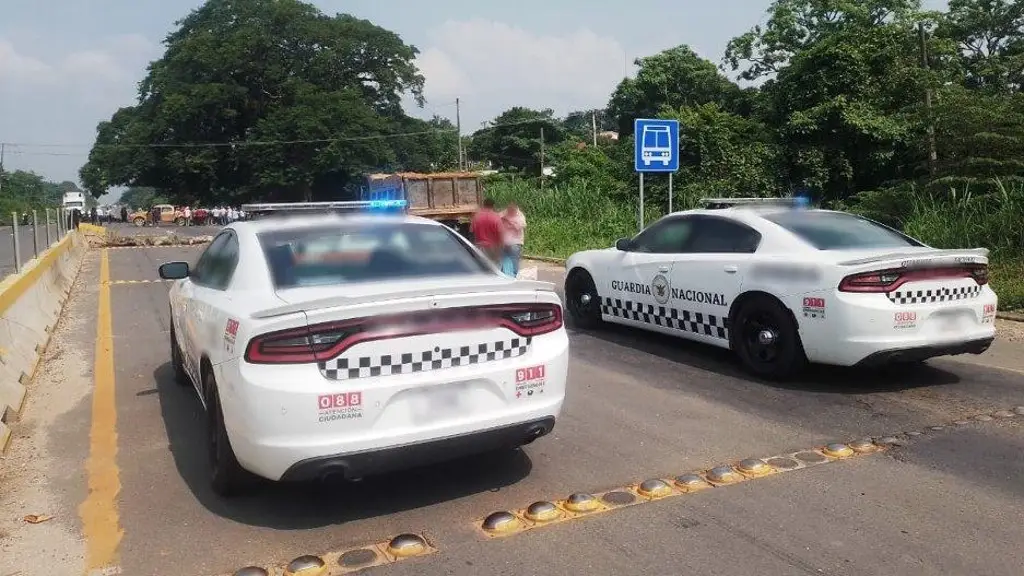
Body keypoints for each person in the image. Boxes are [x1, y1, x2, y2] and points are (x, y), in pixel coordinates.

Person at [469, 198, 504, 265]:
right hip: (493, 248)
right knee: (494, 270)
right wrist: (501, 248)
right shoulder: (496, 217)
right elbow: (501, 234)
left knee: (482, 269)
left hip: (479, 247)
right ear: (493, 206)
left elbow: (471, 232)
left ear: (483, 205)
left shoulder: (476, 217)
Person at [501, 201, 526, 276]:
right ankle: (505, 276)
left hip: (514, 243)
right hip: (504, 243)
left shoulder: (520, 215)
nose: (509, 210)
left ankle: (514, 277)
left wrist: (508, 220)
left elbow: (519, 226)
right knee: (503, 261)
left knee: (514, 261)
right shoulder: (504, 212)